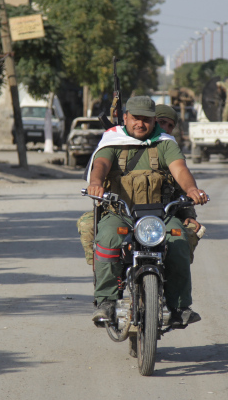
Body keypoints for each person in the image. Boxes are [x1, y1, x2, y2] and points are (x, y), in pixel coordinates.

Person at [86, 96, 209, 327]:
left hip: (159, 216)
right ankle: (106, 301)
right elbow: (100, 164)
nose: (140, 124)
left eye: (146, 120)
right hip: (120, 213)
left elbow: (180, 169)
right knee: (108, 238)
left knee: (179, 240)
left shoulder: (164, 143)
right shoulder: (113, 141)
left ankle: (179, 306)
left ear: (154, 121)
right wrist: (96, 182)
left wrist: (191, 188)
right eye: (135, 119)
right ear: (125, 118)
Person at [155, 103, 205, 263]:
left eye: (170, 125)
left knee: (182, 244)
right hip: (130, 215)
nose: (166, 128)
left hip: (165, 216)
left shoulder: (171, 150)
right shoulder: (125, 144)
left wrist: (189, 214)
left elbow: (180, 188)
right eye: (161, 122)